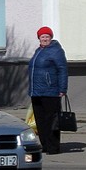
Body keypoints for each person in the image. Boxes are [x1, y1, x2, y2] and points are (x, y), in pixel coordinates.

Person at [28, 25, 68, 154]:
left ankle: (53, 147)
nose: (44, 39)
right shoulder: (38, 51)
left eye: (47, 36)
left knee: (52, 121)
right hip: (36, 91)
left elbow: (62, 69)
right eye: (42, 37)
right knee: (40, 121)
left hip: (51, 91)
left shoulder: (56, 51)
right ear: (39, 38)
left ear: (51, 38)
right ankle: (44, 145)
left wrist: (62, 88)